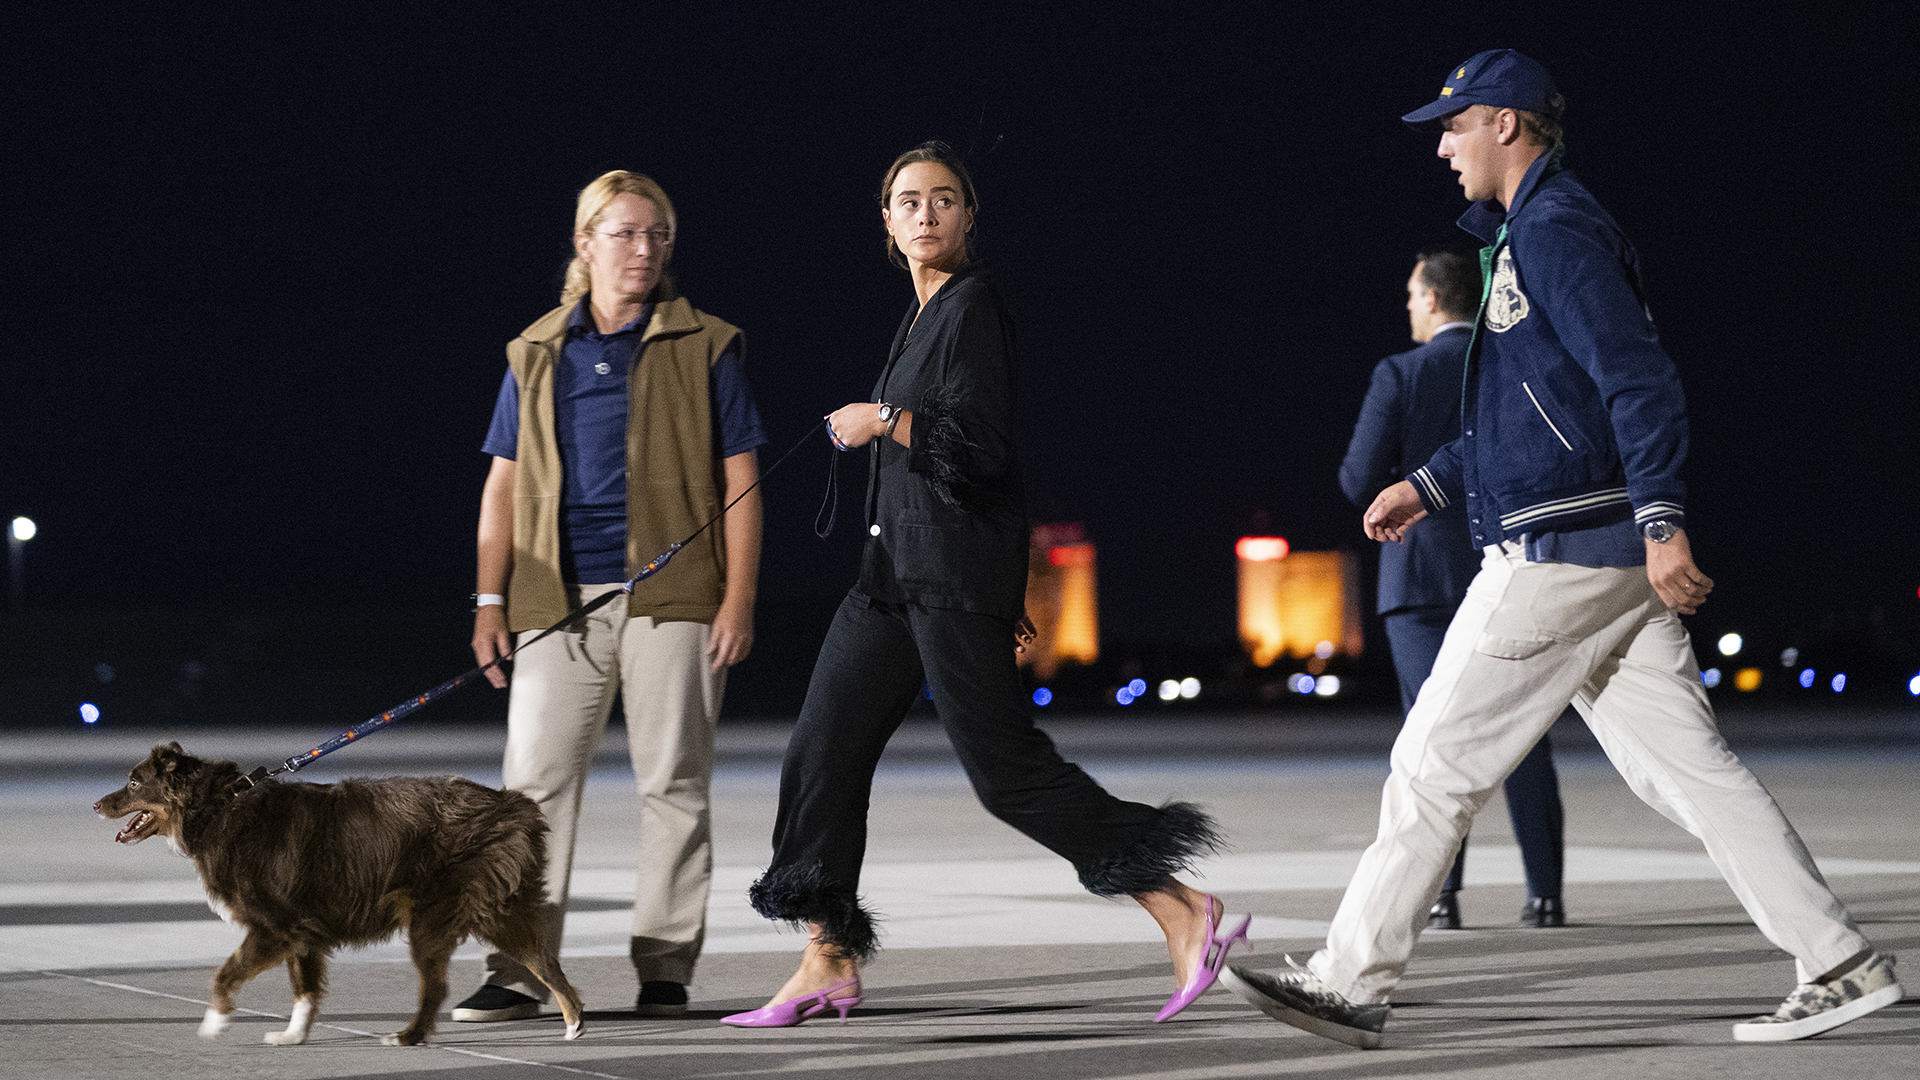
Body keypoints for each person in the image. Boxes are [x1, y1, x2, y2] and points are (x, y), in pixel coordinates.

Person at [1225, 50, 1900, 1048]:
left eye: (1453, 125)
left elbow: (1639, 378)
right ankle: (1840, 960)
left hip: (1566, 554)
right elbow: (1533, 413)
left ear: (1507, 124)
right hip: (1599, 549)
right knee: (1693, 776)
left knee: (1431, 766)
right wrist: (1433, 482)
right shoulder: (1527, 235)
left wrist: (1664, 517)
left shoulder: (1555, 229)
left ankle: (1351, 978)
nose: (1444, 145)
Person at [723, 142, 1238, 1029]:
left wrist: (883, 419)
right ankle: (827, 957)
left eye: (944, 200)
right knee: (822, 754)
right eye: (908, 201)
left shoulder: (974, 307)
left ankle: (1180, 907)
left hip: (951, 581)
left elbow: (983, 452)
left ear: (969, 217)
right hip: (887, 581)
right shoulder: (920, 316)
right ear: (886, 222)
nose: (925, 214)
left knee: (1006, 774)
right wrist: (890, 419)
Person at [452, 170, 767, 1023]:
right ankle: (518, 967)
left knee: (673, 784)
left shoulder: (707, 343)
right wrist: (489, 603)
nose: (644, 250)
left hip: (677, 595)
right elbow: (501, 491)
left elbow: (742, 483)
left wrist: (738, 599)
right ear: (584, 243)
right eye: (625, 233)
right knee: (532, 789)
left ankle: (665, 967)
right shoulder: (534, 351)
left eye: (657, 235)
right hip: (553, 597)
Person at [1338, 250, 1567, 930]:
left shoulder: (1400, 373)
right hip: (1506, 564)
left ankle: (1442, 895)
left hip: (1417, 581)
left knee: (1434, 737)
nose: (1408, 306)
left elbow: (1357, 481)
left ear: (1435, 299)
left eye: (1412, 294)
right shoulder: (1506, 359)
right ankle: (1545, 894)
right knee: (1523, 730)